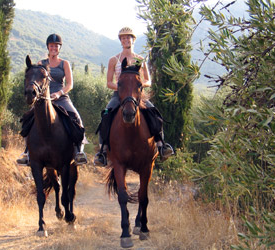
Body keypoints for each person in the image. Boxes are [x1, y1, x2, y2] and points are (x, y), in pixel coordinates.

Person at [93, 27, 174, 166]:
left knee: (154, 114)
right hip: (119, 95)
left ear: (133, 39)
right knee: (106, 115)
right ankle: (103, 152)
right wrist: (121, 88)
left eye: (128, 37)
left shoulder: (140, 59)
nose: (126, 40)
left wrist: (138, 85)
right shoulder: (113, 60)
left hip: (137, 96)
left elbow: (148, 80)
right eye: (123, 38)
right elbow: (108, 82)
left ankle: (161, 145)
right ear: (120, 41)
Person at [17, 33, 88, 166]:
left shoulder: (64, 63)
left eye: (56, 46)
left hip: (61, 98)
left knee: (76, 118)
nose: (53, 48)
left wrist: (58, 94)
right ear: (48, 47)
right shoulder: (41, 63)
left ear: (59, 48)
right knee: (28, 120)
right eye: (51, 46)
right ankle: (27, 152)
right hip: (43, 98)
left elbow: (69, 85)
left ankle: (79, 151)